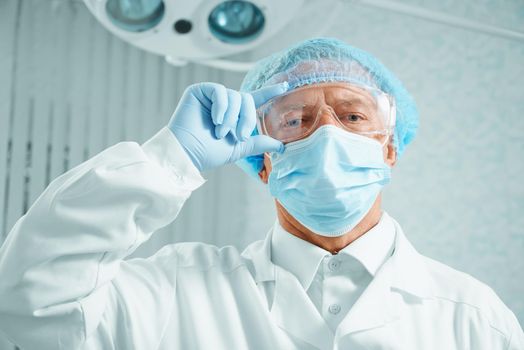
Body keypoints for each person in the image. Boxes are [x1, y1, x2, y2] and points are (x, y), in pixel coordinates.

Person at [0, 37, 522, 350]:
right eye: (294, 120)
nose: (327, 134)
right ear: (262, 159)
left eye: (353, 115)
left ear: (389, 148)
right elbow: (30, 301)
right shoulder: (170, 291)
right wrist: (173, 157)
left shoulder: (474, 317)